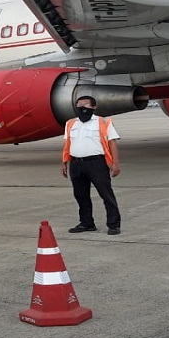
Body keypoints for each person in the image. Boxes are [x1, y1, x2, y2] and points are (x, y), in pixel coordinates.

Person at [61, 95, 122, 235]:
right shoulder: (71, 123)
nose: (82, 107)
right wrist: (64, 162)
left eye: (85, 105)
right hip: (76, 163)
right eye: (79, 105)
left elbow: (112, 142)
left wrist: (115, 163)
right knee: (80, 195)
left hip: (96, 163)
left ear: (94, 107)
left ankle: (113, 225)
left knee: (106, 194)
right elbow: (68, 144)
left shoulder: (103, 122)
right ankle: (86, 223)